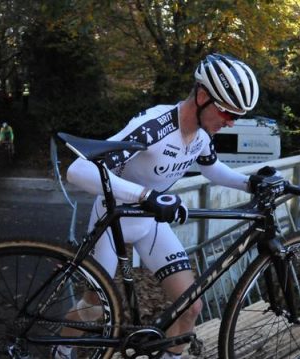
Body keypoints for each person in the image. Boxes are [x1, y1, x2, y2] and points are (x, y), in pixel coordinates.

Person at [63, 53, 266, 359]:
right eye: (226, 112)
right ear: (201, 96)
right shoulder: (153, 127)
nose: (231, 122)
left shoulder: (201, 135)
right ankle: (61, 350)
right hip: (112, 218)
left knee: (191, 306)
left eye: (236, 115)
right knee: (92, 311)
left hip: (150, 222)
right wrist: (146, 195)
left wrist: (251, 183)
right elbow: (79, 171)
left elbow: (212, 169)